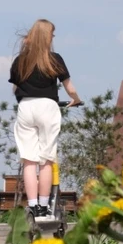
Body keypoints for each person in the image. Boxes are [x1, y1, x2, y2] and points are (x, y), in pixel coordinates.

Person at [8, 19, 81, 221]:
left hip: (26, 107)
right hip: (48, 107)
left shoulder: (20, 60)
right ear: (48, 37)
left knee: (29, 161)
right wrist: (76, 100)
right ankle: (44, 206)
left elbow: (15, 88)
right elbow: (70, 88)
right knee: (46, 161)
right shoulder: (54, 59)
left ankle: (32, 207)